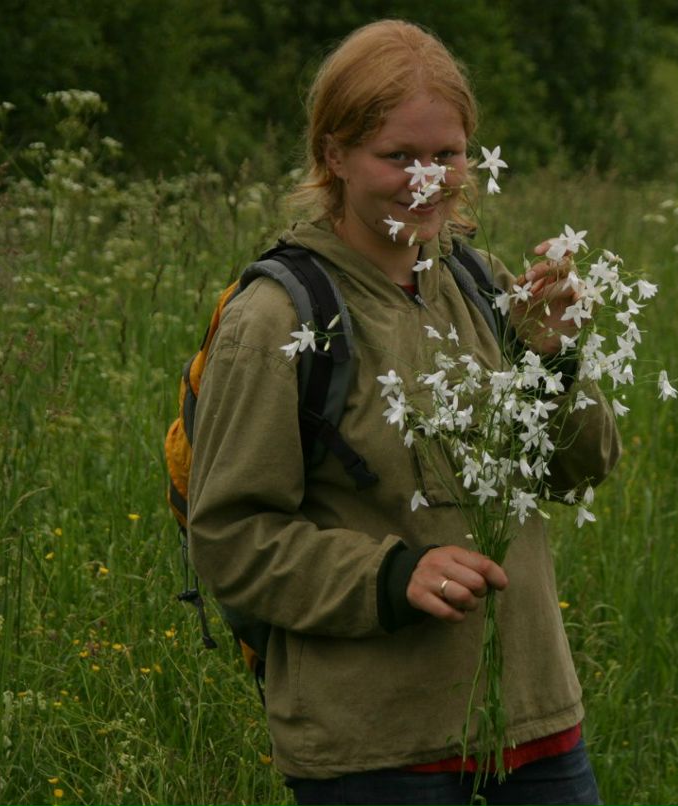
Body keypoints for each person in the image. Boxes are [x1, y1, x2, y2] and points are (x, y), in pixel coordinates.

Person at [187, 19, 621, 806]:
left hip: (536, 726)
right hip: (376, 750)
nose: (428, 180)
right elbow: (228, 539)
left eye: (447, 154)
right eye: (398, 156)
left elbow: (582, 471)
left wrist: (553, 355)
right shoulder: (277, 318)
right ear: (334, 156)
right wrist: (391, 576)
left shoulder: (484, 286)